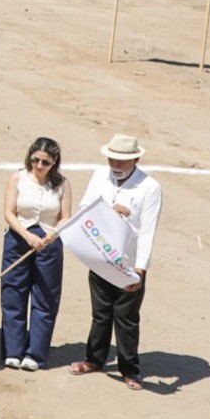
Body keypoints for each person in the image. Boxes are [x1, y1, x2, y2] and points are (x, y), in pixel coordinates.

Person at [69, 134, 163, 391]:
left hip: (129, 264)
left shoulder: (150, 188)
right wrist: (110, 211)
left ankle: (130, 369)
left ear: (136, 159)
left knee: (127, 318)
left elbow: (148, 231)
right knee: (100, 314)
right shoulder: (100, 175)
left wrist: (140, 270)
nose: (116, 164)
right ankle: (94, 359)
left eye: (122, 160)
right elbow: (84, 207)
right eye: (112, 158)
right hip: (100, 257)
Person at [0, 137, 71, 372]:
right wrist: (26, 235)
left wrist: (53, 235)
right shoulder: (18, 178)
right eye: (35, 160)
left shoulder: (62, 184)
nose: (39, 166)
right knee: (13, 292)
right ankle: (13, 351)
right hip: (19, 239)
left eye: (45, 162)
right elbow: (9, 213)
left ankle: (35, 354)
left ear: (54, 163)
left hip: (48, 244)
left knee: (45, 297)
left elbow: (65, 216)